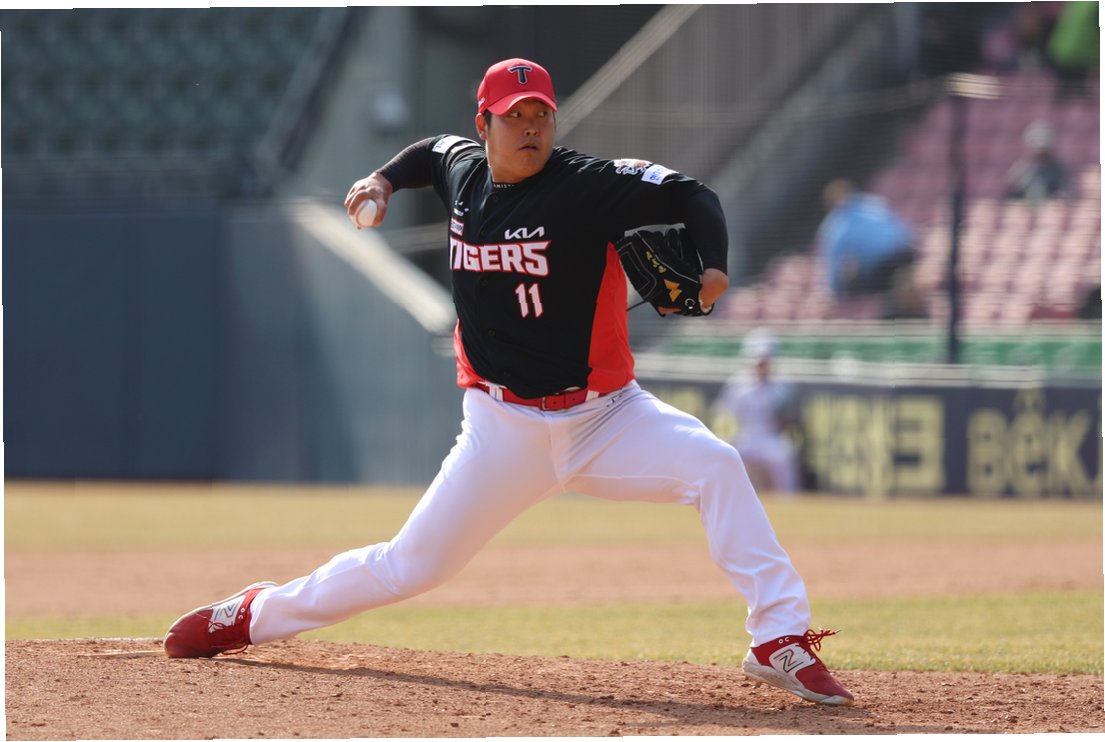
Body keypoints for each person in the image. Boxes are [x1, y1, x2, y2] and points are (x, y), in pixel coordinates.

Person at [163, 58, 854, 707]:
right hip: (502, 429)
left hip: (607, 418)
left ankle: (777, 638)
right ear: (484, 125)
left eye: (540, 115)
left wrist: (714, 269)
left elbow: (690, 194)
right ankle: (251, 615)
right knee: (409, 567)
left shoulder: (587, 184)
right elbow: (427, 152)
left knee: (716, 466)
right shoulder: (462, 170)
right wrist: (380, 180)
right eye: (514, 116)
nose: (530, 128)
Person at [714, 329, 801, 497]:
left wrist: (784, 422)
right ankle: (726, 498)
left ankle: (788, 501)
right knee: (724, 455)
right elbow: (724, 415)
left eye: (765, 361)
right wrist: (726, 437)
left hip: (770, 438)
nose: (761, 365)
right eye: (758, 361)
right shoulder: (737, 384)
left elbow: (789, 419)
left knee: (783, 457)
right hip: (745, 437)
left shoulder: (783, 385)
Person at [817, 178, 918, 303]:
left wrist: (835, 290)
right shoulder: (873, 203)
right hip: (903, 255)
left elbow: (834, 262)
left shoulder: (837, 224)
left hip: (886, 264)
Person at [1004, 120, 1072, 202]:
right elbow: (1010, 195)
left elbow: (1066, 193)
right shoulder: (1020, 170)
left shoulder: (1059, 170)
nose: (1040, 156)